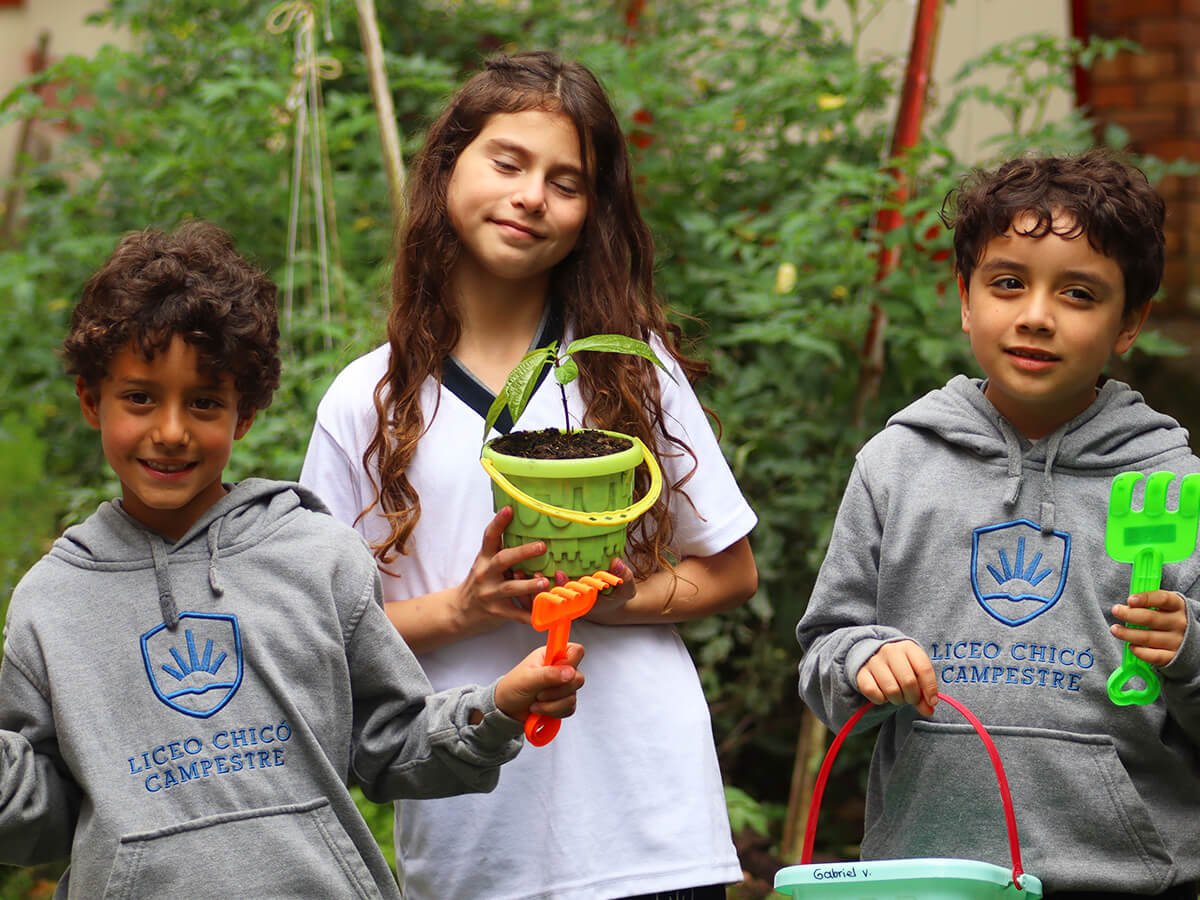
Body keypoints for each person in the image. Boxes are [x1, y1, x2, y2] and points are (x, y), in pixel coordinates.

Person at [0, 221, 585, 898]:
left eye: (204, 403)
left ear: (242, 415)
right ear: (90, 401)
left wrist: (496, 709)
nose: (170, 431)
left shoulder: (318, 556)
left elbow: (391, 744)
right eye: (139, 397)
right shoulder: (52, 601)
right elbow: (38, 820)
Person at [300, 51, 758, 899]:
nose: (530, 196)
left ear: (591, 214)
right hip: (476, 830)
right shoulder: (366, 399)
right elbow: (324, 632)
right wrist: (465, 608)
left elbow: (730, 571)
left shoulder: (627, 368)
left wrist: (617, 600)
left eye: (566, 181)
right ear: (447, 170)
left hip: (652, 828)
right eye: (507, 162)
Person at [796, 149, 1200, 899]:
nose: (1036, 315)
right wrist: (861, 660)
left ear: (1130, 321)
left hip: (1123, 878)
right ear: (965, 298)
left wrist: (1188, 651)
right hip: (927, 874)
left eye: (1079, 293)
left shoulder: (1173, 485)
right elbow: (825, 652)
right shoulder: (896, 463)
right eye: (1008, 283)